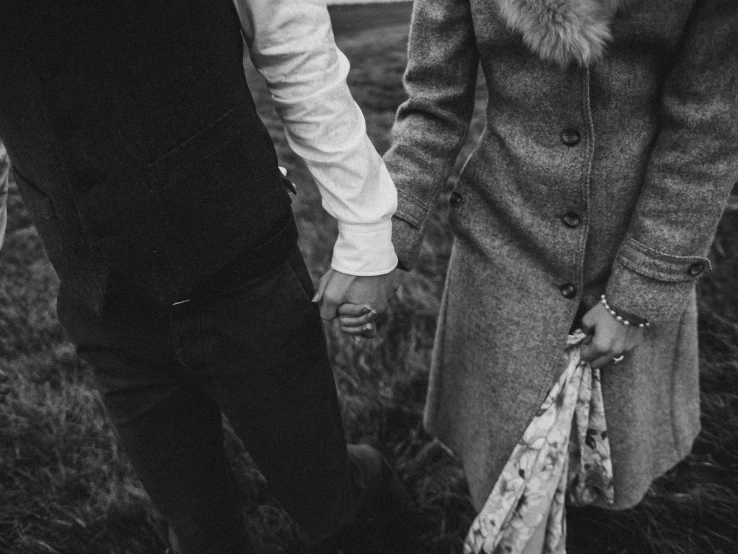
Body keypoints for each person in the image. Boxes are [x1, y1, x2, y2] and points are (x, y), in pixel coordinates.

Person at [0, 0, 408, 552]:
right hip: (103, 302)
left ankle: (366, 485)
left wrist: (365, 235)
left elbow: (296, 51)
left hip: (244, 273)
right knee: (197, 530)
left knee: (330, 510)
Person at [382, 0, 738, 549]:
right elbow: (432, 107)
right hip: (504, 244)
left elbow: (708, 128)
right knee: (504, 457)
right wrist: (382, 243)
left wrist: (639, 293)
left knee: (610, 473)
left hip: (639, 238)